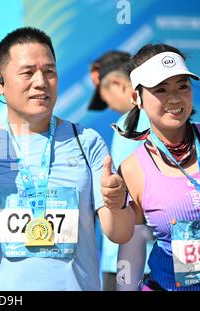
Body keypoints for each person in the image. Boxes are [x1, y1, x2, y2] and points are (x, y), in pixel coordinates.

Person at [0, 27, 134, 290]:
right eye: (27, 72)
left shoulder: (87, 142)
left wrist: (117, 204)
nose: (41, 82)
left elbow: (121, 232)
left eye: (49, 71)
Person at [119, 43, 200, 291]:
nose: (174, 98)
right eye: (161, 89)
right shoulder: (132, 169)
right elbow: (131, 251)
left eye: (182, 86)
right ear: (136, 98)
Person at [88, 51, 154, 290]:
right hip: (167, 260)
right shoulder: (172, 123)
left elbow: (129, 195)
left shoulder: (130, 124)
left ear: (118, 84)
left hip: (128, 262)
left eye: (106, 98)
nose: (108, 106)